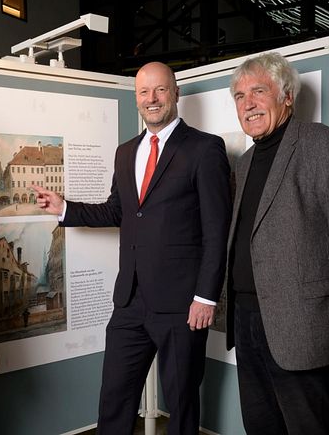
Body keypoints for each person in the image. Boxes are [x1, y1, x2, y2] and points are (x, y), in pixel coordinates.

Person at [31, 62, 231, 434]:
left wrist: (206, 296)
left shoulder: (205, 149)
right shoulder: (126, 152)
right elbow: (117, 210)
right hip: (129, 301)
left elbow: (217, 230)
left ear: (175, 93)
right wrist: (65, 208)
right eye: (143, 92)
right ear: (135, 98)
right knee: (115, 400)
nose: (151, 99)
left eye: (160, 90)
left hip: (181, 304)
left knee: (182, 403)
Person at [226, 52, 329, 434]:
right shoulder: (243, 164)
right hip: (246, 321)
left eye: (258, 91)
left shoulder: (323, 145)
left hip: (302, 323)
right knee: (260, 424)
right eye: (240, 97)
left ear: (287, 96)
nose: (248, 104)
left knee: (309, 427)